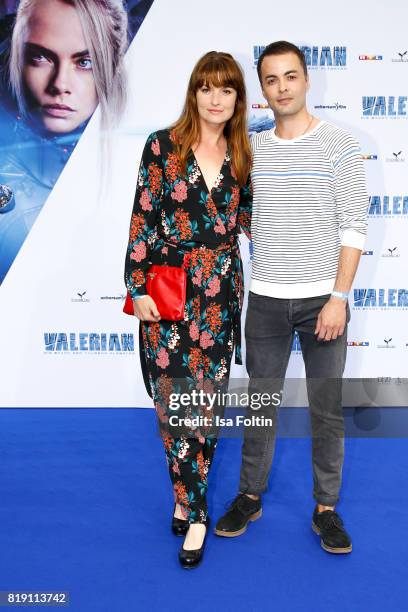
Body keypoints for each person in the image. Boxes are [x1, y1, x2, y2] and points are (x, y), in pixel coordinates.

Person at [215, 41, 368, 554]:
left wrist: (338, 297)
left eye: (290, 77)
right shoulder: (252, 150)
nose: (282, 88)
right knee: (261, 404)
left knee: (326, 408)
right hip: (265, 300)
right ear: (262, 89)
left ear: (306, 81)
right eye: (271, 80)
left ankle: (326, 508)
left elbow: (354, 227)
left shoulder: (339, 145)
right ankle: (249, 496)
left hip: (322, 300)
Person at [124, 51, 252, 568]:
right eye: (207, 88)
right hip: (170, 290)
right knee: (174, 409)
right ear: (194, 93)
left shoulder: (244, 153)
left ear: (238, 99)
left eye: (226, 90)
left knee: (207, 407)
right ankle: (198, 513)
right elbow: (141, 220)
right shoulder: (162, 146)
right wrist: (137, 288)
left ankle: (185, 498)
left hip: (221, 293)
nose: (216, 98)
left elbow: (252, 221)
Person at [0, 0, 128, 283]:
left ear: (113, 66)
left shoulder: (137, 162)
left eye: (85, 62)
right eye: (40, 57)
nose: (60, 84)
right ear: (17, 58)